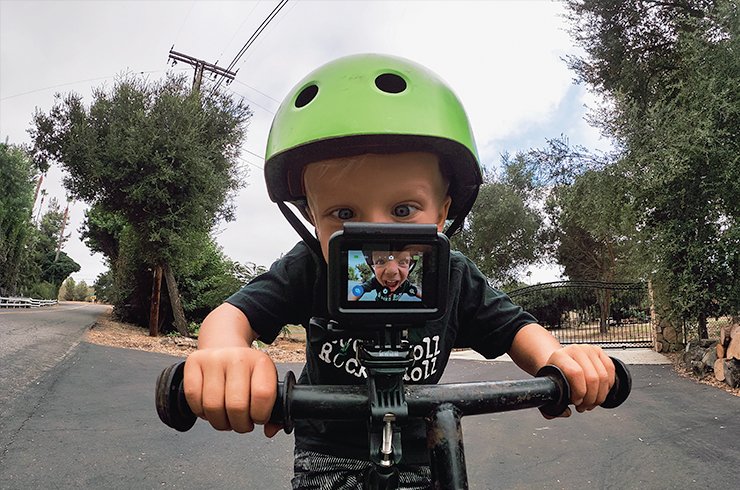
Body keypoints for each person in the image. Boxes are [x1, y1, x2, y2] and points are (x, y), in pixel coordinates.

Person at [183, 54, 616, 489]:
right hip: (328, 454)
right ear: (314, 220)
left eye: (404, 209)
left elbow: (515, 328)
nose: (379, 234)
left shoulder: (454, 276)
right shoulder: (311, 265)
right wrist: (225, 355)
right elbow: (231, 316)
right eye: (344, 212)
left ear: (443, 213)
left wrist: (557, 359)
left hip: (425, 451)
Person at [351, 249, 420, 301]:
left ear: (409, 267)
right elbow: (360, 289)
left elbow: (418, 292)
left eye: (402, 262)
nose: (391, 271)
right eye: (380, 262)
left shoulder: (405, 284)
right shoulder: (375, 281)